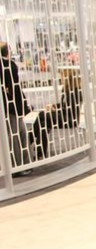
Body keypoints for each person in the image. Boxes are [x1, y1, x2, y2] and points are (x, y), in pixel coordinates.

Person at [32, 69, 83, 158]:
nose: (61, 79)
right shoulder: (65, 89)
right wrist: (54, 106)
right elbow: (63, 105)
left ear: (68, 78)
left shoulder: (75, 92)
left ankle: (29, 139)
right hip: (63, 116)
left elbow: (70, 111)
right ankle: (40, 152)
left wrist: (55, 110)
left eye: (62, 77)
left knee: (42, 115)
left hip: (70, 119)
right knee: (43, 124)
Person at [1, 41, 32, 175]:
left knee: (18, 134)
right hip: (12, 106)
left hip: (10, 106)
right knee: (16, 135)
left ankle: (22, 164)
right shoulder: (9, 65)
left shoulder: (7, 65)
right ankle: (19, 166)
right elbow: (14, 88)